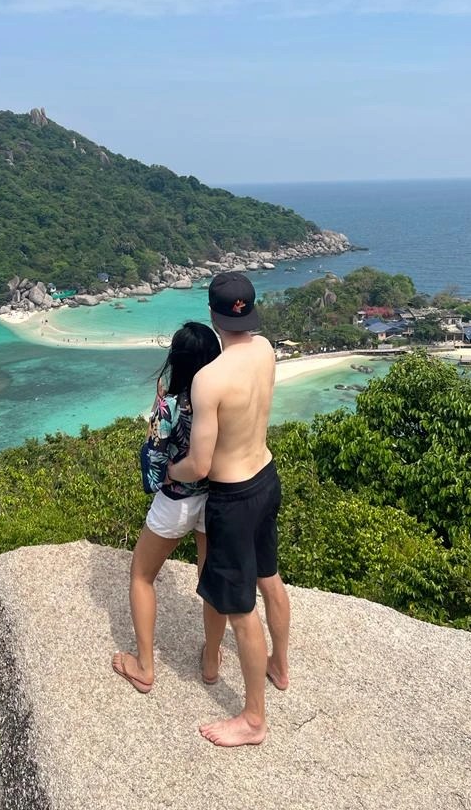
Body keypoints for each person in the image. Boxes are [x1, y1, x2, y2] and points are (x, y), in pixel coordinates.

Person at [168, 272, 290, 747]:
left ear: (212, 313)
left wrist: (169, 470)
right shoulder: (266, 350)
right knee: (269, 577)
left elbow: (199, 465)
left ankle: (254, 719)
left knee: (240, 610)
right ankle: (280, 665)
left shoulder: (209, 379)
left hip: (233, 497)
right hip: (265, 476)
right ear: (250, 310)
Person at [112, 321, 225, 694]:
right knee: (209, 580)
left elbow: (155, 458)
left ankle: (145, 666)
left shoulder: (169, 404)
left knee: (141, 575)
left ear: (176, 358)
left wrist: (159, 404)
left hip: (177, 501)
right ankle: (211, 661)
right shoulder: (223, 399)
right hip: (217, 498)